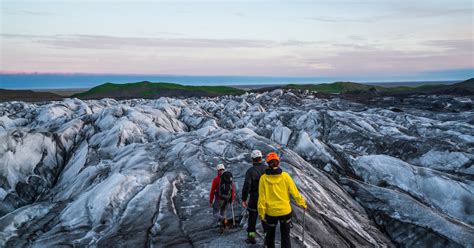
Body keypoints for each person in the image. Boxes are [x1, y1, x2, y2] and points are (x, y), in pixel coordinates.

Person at [258, 152, 307, 248]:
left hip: (271, 213)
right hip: (285, 211)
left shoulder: (263, 179)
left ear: (268, 164)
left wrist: (261, 213)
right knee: (285, 236)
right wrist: (302, 203)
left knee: (270, 236)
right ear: (278, 163)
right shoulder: (285, 176)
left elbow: (262, 198)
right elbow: (294, 192)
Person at [241, 150, 267, 244]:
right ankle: (268, 238)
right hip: (265, 199)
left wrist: (244, 199)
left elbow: (247, 185)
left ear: (252, 159)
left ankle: (251, 238)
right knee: (265, 219)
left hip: (254, 199)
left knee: (252, 219)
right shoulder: (267, 169)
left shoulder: (250, 171)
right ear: (261, 158)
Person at [209, 163, 235, 231]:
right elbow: (232, 189)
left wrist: (211, 201)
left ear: (217, 170)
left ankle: (223, 220)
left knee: (216, 213)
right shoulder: (228, 178)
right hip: (227, 199)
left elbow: (212, 191)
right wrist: (232, 199)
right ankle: (223, 227)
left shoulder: (216, 179)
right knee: (223, 212)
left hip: (219, 198)